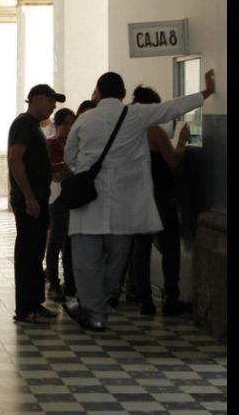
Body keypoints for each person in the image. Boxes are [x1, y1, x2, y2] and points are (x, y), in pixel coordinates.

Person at [63, 70, 215, 332]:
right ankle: (97, 308)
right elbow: (171, 108)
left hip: (89, 203)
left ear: (97, 92)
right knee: (117, 261)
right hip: (126, 204)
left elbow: (70, 155)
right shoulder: (138, 115)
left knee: (86, 262)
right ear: (123, 94)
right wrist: (206, 93)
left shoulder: (85, 119)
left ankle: (93, 310)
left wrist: (84, 169)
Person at [130, 86, 193, 316]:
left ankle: (144, 300)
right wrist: (182, 141)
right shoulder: (154, 131)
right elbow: (173, 161)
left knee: (141, 247)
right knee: (169, 246)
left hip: (136, 195)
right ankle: (171, 299)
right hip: (160, 195)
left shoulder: (128, 130)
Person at [8, 84, 66, 324]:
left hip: (38, 198)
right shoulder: (23, 124)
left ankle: (35, 303)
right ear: (37, 99)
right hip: (29, 202)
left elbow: (34, 165)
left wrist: (58, 168)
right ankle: (25, 309)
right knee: (28, 254)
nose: (54, 107)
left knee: (35, 254)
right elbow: (15, 159)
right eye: (52, 101)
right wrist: (29, 197)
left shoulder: (33, 127)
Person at [44, 107, 77, 302]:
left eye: (72, 123)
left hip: (73, 196)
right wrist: (72, 168)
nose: (70, 127)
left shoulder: (76, 143)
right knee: (56, 240)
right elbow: (56, 174)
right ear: (57, 125)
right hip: (56, 198)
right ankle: (54, 284)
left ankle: (70, 282)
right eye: (65, 123)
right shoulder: (51, 144)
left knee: (70, 241)